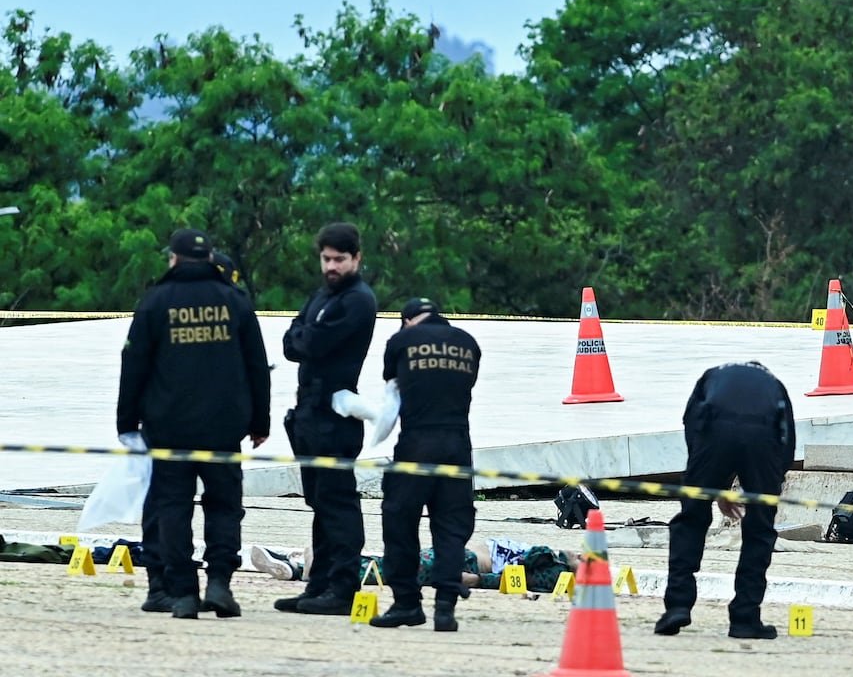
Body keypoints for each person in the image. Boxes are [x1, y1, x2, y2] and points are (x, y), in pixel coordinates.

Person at [115, 228, 271, 619]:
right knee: (223, 506)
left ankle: (183, 592)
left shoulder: (156, 301)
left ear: (174, 259)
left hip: (169, 427)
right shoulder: (235, 300)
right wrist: (260, 420)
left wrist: (126, 420)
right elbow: (256, 363)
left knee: (172, 507)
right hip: (223, 427)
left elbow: (134, 364)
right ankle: (219, 583)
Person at [276, 222, 378, 615]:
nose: (331, 266)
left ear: (356, 258)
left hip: (335, 416)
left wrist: (304, 336)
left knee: (338, 503)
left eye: (339, 259)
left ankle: (342, 587)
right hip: (308, 413)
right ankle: (318, 585)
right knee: (319, 502)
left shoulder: (357, 300)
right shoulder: (323, 295)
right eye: (326, 258)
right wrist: (303, 336)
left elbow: (311, 343)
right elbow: (291, 342)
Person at [655, 361, 795, 640]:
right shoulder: (775, 384)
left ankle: (677, 606)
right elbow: (786, 441)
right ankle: (745, 616)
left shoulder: (712, 376)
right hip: (762, 435)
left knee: (691, 519)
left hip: (713, 429)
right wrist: (768, 491)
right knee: (759, 530)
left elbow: (691, 423)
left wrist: (709, 485)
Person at [371, 297, 481, 632]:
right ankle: (445, 609)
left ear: (407, 321)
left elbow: (391, 382)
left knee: (400, 521)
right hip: (458, 444)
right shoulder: (469, 344)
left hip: (417, 442)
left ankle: (406, 603)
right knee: (450, 526)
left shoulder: (401, 340)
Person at [251, 538, 579, 593]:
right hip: (456, 556)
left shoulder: (555, 569)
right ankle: (296, 567)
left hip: (459, 562)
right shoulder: (560, 566)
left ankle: (314, 567)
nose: (580, 552)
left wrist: (471, 580)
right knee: (391, 565)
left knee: (394, 568)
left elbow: (513, 576)